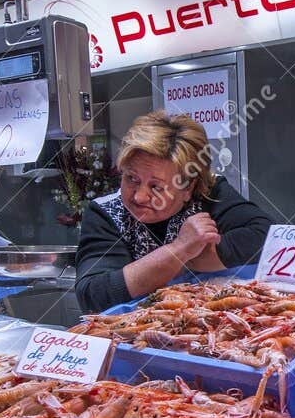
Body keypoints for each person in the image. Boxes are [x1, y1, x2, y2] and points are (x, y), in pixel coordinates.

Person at [75, 111, 273, 312]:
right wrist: (181, 249)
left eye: (156, 187)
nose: (139, 197)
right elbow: (93, 295)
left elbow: (266, 237)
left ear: (188, 187)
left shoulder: (209, 192)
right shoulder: (104, 213)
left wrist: (154, 270)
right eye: (131, 179)